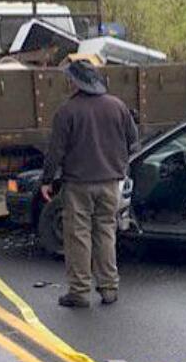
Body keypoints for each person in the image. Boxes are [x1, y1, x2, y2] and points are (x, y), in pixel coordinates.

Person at [40, 60, 138, 308]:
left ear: (75, 82)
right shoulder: (118, 106)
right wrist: (119, 166)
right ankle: (109, 287)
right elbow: (132, 142)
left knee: (78, 236)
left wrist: (47, 180)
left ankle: (80, 290)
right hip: (110, 183)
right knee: (106, 232)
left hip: (79, 184)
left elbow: (56, 151)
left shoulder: (67, 111)